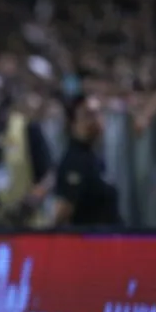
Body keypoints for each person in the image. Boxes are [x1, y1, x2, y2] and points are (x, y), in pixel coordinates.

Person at [52, 94, 121, 227]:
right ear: (73, 123)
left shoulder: (94, 156)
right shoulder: (75, 160)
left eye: (98, 114)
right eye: (89, 115)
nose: (96, 120)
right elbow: (63, 210)